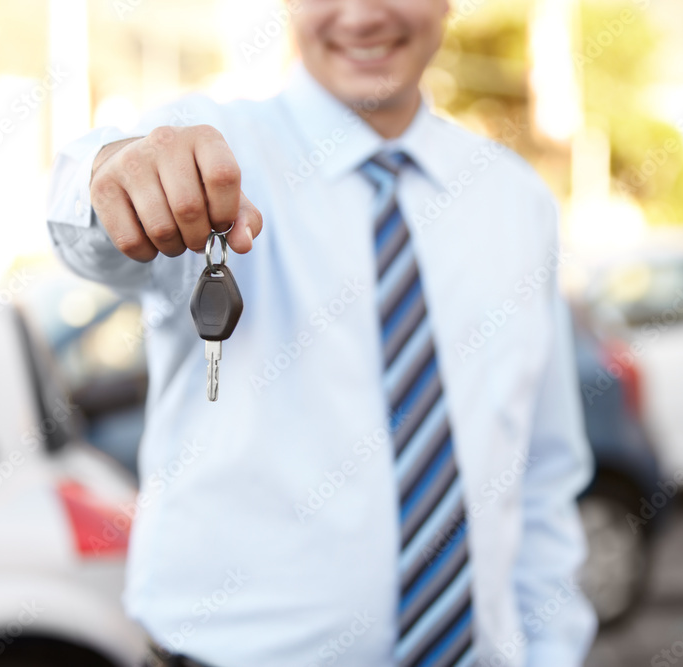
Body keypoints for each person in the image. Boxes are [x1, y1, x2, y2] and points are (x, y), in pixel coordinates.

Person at [46, 0, 596, 665]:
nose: (361, 16)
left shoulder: (516, 199)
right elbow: (91, 220)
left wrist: (552, 648)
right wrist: (115, 174)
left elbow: (541, 471)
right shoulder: (209, 151)